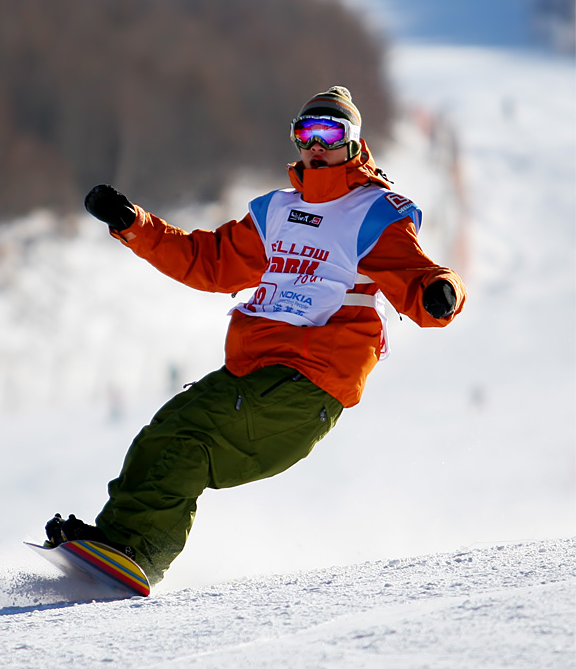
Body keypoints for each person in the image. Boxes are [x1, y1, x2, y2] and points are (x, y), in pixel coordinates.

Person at [45, 86, 466, 586]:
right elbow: (209, 262)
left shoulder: (372, 213)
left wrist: (441, 291)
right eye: (305, 133)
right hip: (256, 370)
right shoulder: (276, 212)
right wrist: (135, 225)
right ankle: (119, 545)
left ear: (352, 142)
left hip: (309, 383)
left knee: (185, 435)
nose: (316, 144)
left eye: (329, 133)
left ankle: (136, 548)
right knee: (167, 430)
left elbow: (419, 276)